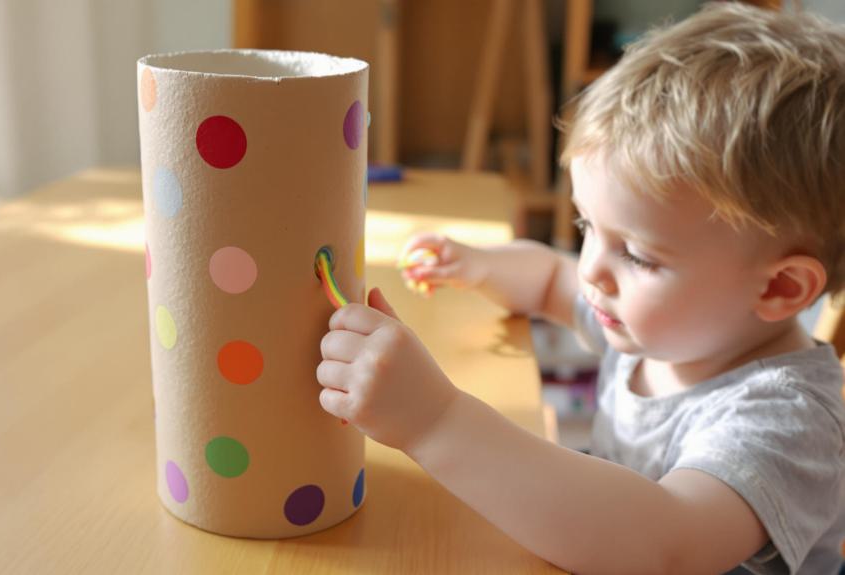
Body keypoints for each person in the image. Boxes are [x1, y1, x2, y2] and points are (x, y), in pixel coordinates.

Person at [316, 3, 845, 573]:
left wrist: (434, 419)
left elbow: (665, 545)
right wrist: (475, 264)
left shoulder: (787, 419)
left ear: (782, 288)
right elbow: (549, 278)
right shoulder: (670, 324)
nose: (592, 269)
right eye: (588, 226)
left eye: (638, 255)